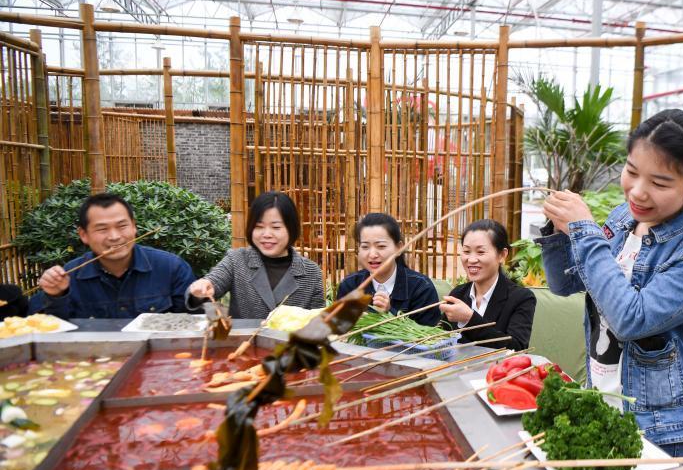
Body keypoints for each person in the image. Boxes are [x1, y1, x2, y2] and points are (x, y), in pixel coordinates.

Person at [537, 109, 683, 470]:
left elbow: (633, 318)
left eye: (659, 183)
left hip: (658, 433)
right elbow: (566, 283)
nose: (638, 192)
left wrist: (585, 231)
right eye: (631, 172)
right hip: (598, 407)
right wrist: (557, 233)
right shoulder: (622, 217)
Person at [30, 193, 195, 319]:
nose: (114, 236)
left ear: (134, 227)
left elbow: (196, 321)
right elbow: (50, 330)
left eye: (122, 226)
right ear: (84, 235)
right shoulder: (69, 276)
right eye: (102, 229)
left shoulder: (171, 267)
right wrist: (56, 295)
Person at [187, 191, 325, 319]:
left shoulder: (311, 273)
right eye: (259, 227)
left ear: (291, 228)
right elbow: (214, 282)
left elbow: (317, 323)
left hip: (289, 344)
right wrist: (201, 289)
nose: (266, 234)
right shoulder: (237, 260)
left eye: (276, 227)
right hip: (242, 344)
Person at [440, 220, 536, 351]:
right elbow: (440, 340)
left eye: (480, 252)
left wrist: (470, 319)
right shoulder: (458, 294)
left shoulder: (521, 298)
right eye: (467, 251)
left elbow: (517, 349)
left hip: (496, 370)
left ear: (502, 255)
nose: (471, 260)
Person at [337, 213, 440, 326]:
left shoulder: (421, 288)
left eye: (381, 246)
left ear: (399, 248)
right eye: (365, 247)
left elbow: (428, 337)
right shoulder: (350, 286)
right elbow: (339, 329)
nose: (372, 254)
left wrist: (390, 314)